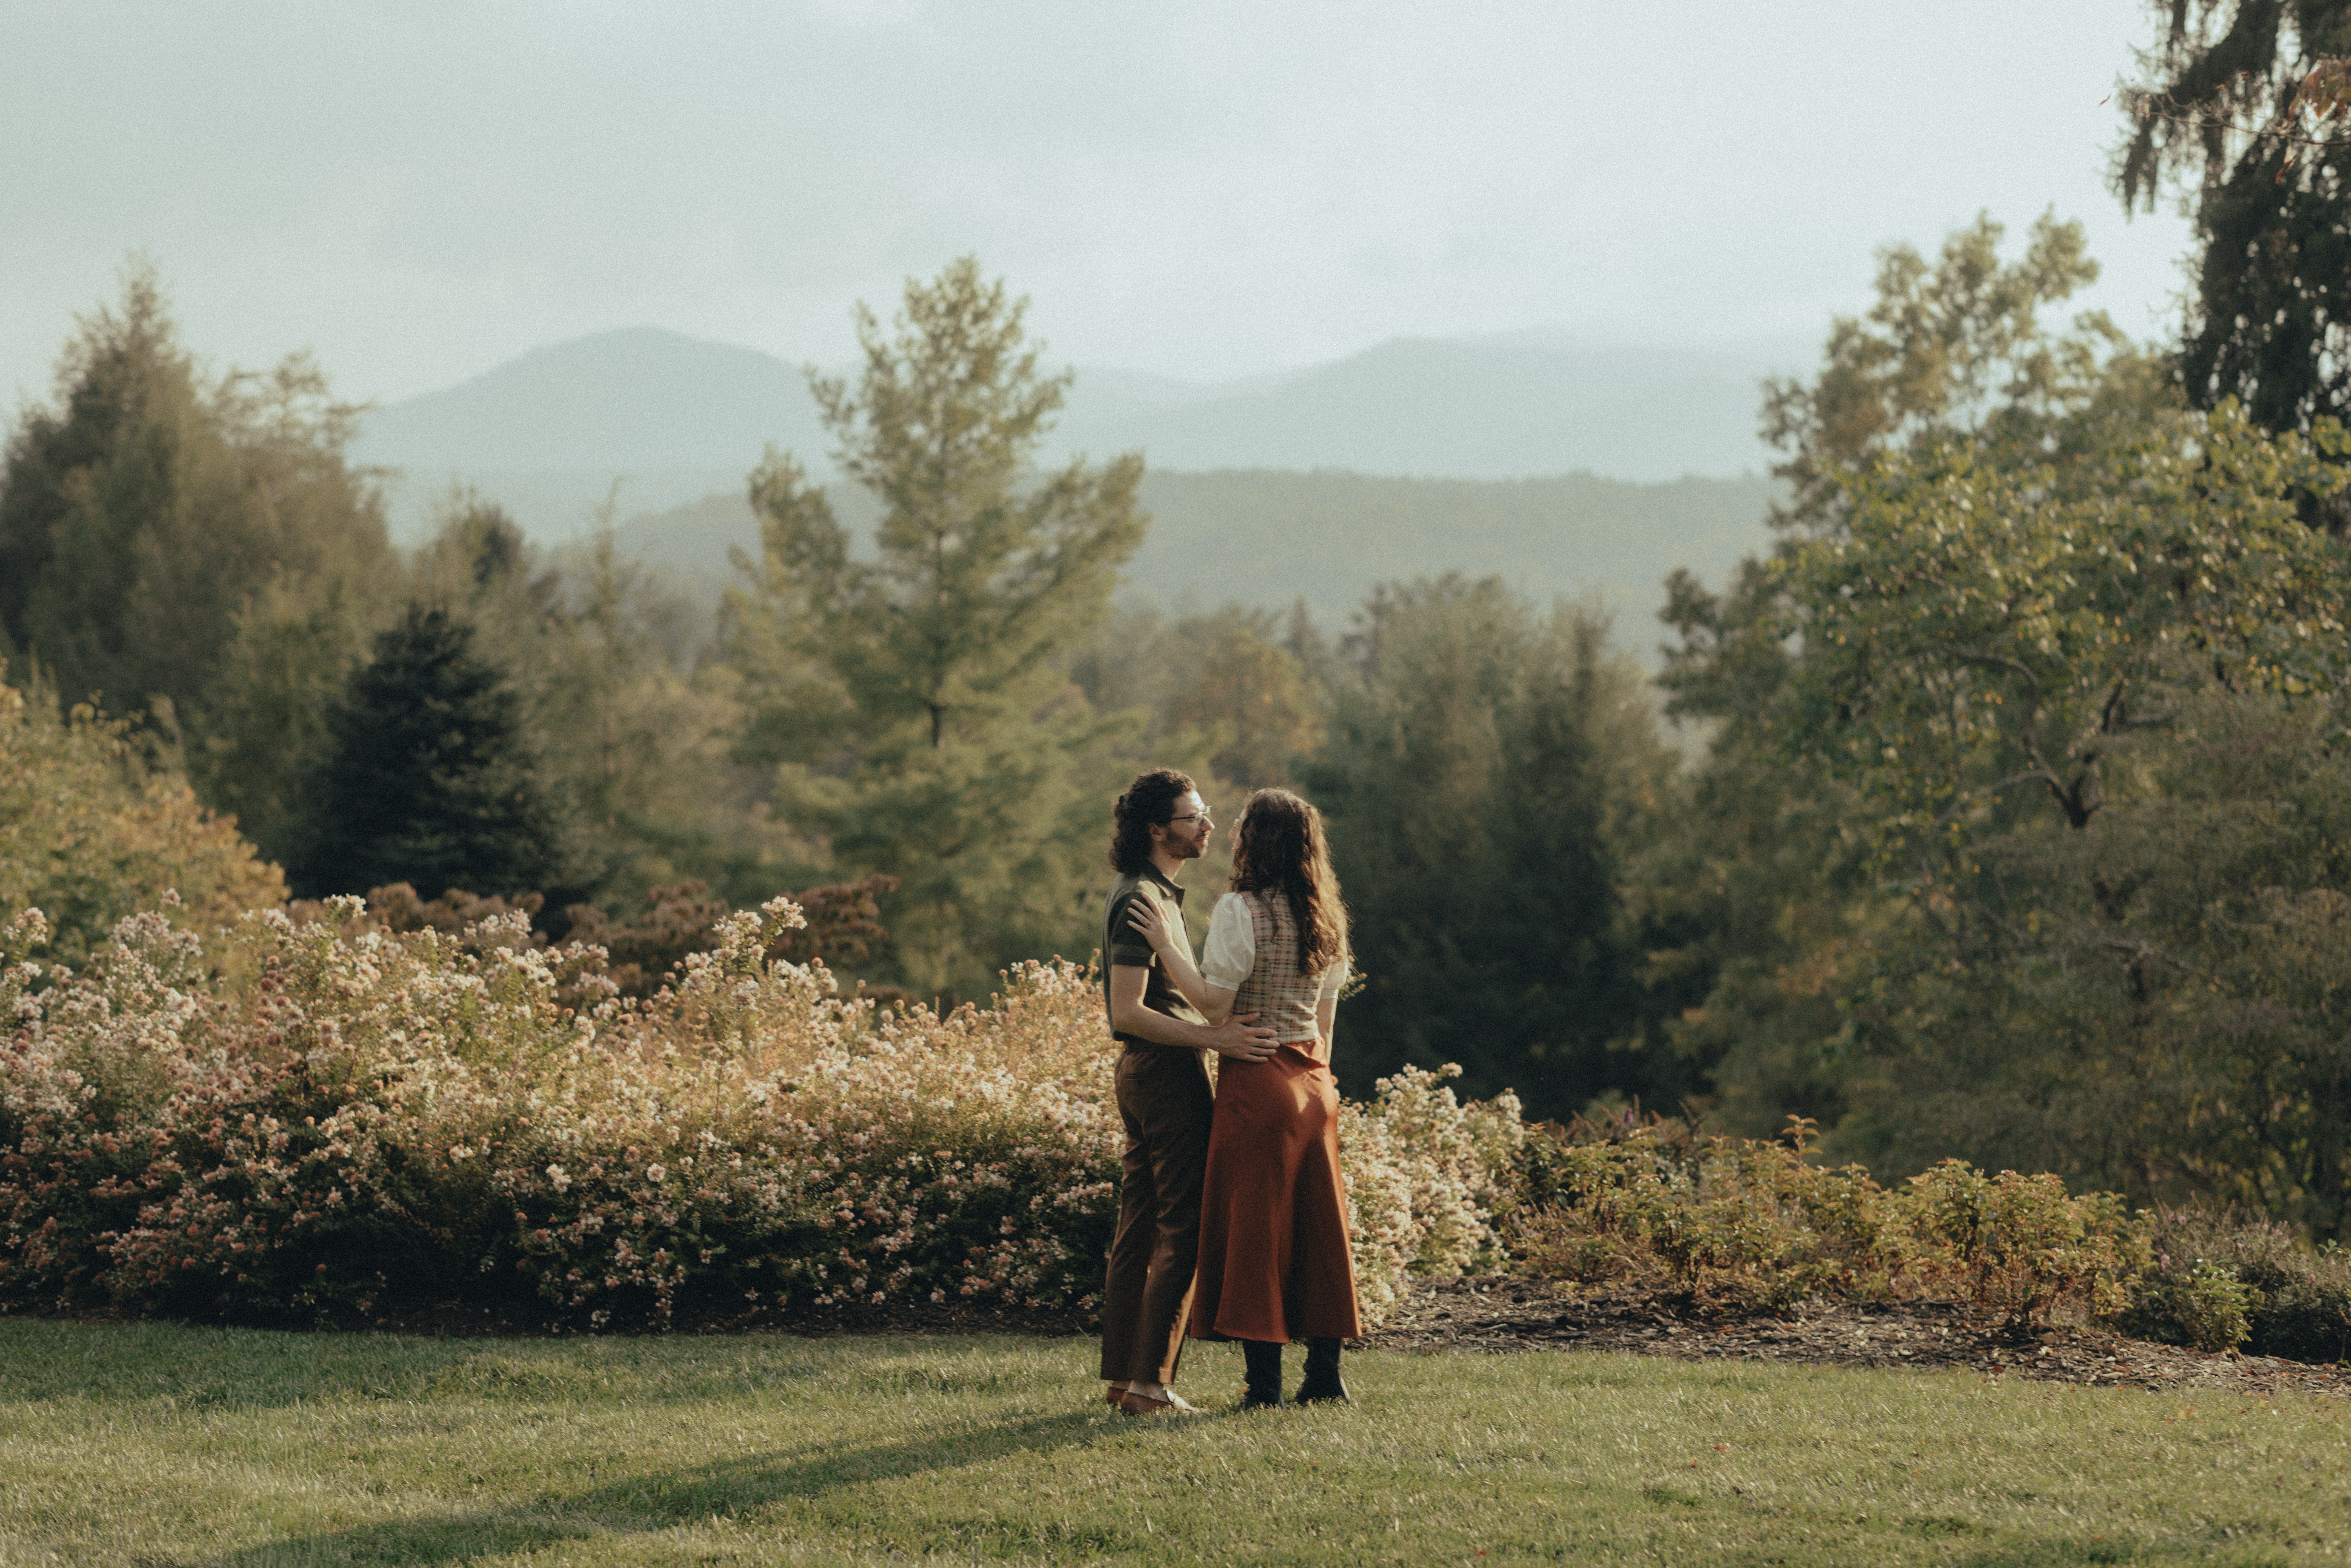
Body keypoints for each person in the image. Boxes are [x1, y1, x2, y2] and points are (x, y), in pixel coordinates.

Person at [1127, 786, 1362, 1409]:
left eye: (1240, 827)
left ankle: (1264, 1386)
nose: (1229, 834)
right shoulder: (1327, 916)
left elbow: (1214, 1005)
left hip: (1258, 1082)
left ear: (1261, 840)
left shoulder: (1242, 909)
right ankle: (1325, 1374)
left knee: (1259, 1231)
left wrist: (1165, 945)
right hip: (1314, 1083)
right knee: (1318, 1228)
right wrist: (1311, 1078)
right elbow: (1327, 1023)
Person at [1097, 769, 1279, 1416]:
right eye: (1193, 817)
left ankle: (1125, 1378)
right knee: (1185, 1226)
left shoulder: (1156, 893)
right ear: (1156, 828)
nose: (1207, 825)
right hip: (1161, 1074)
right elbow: (1128, 1011)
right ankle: (1149, 1385)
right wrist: (1217, 1038)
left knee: (1141, 1226)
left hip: (1153, 1073)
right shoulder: (1142, 898)